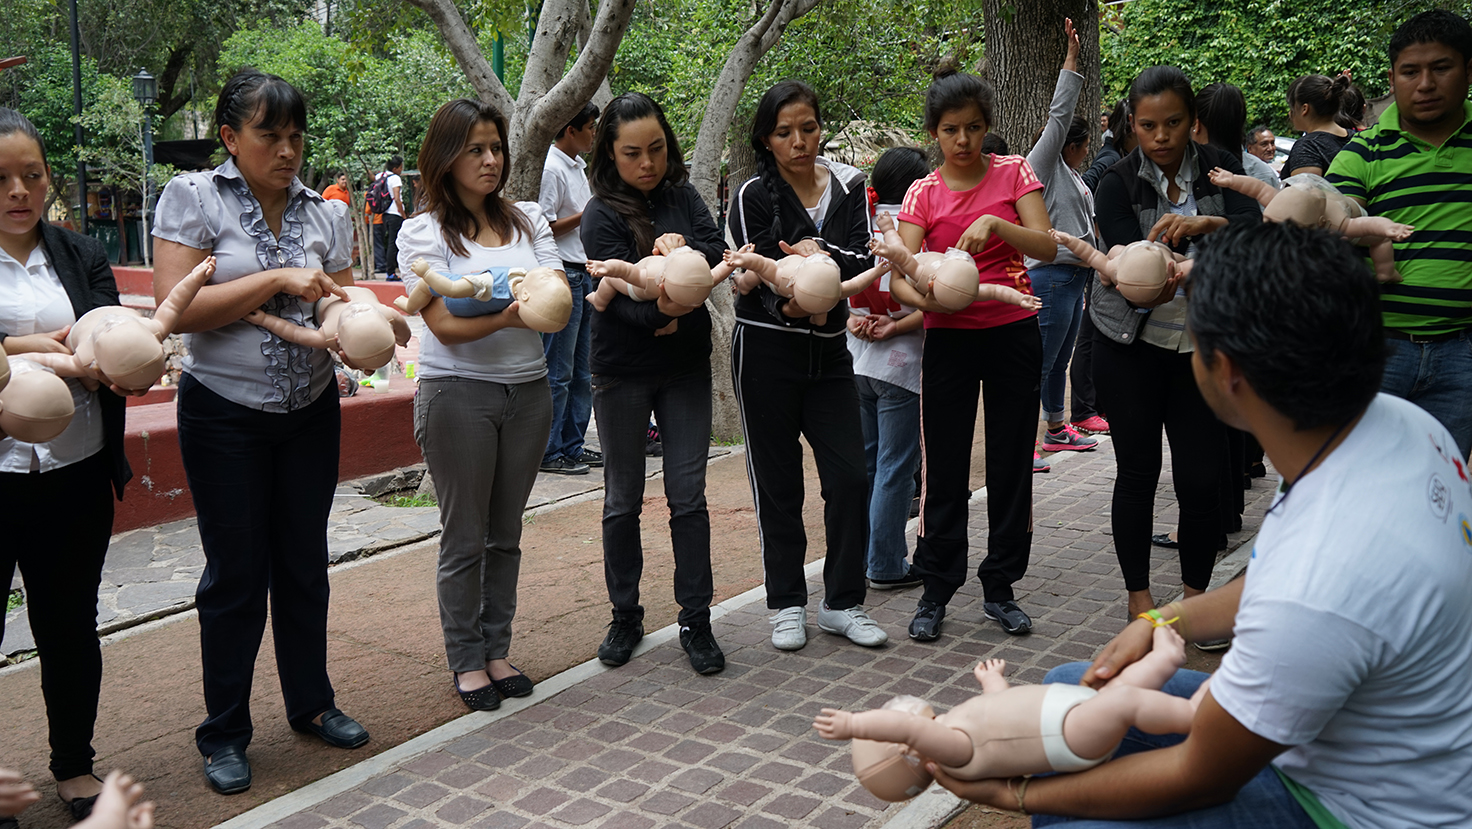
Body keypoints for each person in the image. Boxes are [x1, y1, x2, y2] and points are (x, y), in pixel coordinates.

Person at [932, 221, 1472, 829]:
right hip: (1373, 740)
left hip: (1350, 805)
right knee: (1069, 686)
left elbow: (1198, 774)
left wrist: (1019, 797)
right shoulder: (1399, 424)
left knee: (1075, 814)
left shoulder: (1319, 580)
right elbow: (1271, 582)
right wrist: (1167, 619)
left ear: (1226, 371)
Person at [151, 69, 368, 796]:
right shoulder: (193, 197)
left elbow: (339, 300)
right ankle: (224, 731)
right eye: (269, 134)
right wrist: (277, 280)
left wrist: (353, 330)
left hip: (310, 408)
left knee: (304, 563)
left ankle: (312, 702)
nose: (287, 150)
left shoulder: (324, 213)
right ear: (229, 137)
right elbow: (176, 308)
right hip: (224, 413)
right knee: (236, 575)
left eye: (296, 136)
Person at [396, 98, 560, 710]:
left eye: (496, 148)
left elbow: (557, 302)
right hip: (457, 394)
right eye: (475, 150)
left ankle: (497, 651)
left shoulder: (529, 220)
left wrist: (491, 300)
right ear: (446, 158)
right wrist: (513, 309)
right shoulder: (422, 233)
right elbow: (442, 326)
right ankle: (466, 660)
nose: (491, 160)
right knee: (465, 536)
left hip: (530, 392)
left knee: (506, 534)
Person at [888, 69, 1057, 641]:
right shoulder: (923, 192)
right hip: (949, 340)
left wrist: (997, 224)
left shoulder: (1014, 172)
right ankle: (936, 588)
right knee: (944, 467)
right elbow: (900, 278)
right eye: (951, 130)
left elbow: (1048, 245)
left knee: (1011, 461)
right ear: (934, 132)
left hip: (1013, 331)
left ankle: (1001, 586)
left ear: (987, 127)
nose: (963, 140)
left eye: (975, 128)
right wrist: (932, 300)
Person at [1089, 66, 1260, 623]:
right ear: (1131, 125)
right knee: (1137, 474)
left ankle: (1195, 603)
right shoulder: (1116, 182)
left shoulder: (1221, 171)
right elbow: (1132, 269)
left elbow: (1258, 235)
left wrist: (1208, 232)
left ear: (1193, 122)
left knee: (1200, 479)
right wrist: (1173, 266)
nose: (1161, 136)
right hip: (1129, 346)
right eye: (1148, 125)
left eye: (1173, 123)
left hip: (1202, 348)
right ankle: (1139, 602)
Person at [0, 107, 133, 820]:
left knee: (69, 626)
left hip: (75, 468)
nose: (18, 190)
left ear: (49, 177)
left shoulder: (80, 255)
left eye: (31, 174)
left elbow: (113, 333)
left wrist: (108, 356)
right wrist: (31, 349)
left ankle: (74, 765)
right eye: (0, 179)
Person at [727, 80, 887, 652]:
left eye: (808, 128)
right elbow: (758, 268)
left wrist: (815, 256)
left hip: (831, 356)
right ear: (765, 140)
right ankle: (787, 602)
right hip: (766, 352)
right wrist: (798, 295)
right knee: (778, 483)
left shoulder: (849, 185)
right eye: (784, 132)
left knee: (850, 477)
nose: (799, 141)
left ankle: (842, 602)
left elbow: (861, 259)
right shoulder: (751, 194)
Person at [581, 92, 727, 674]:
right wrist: (665, 312)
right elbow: (620, 305)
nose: (647, 163)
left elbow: (715, 252)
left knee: (688, 496)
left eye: (657, 149)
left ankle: (696, 618)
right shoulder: (600, 213)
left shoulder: (683, 196)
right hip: (621, 370)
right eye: (632, 153)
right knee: (622, 499)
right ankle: (625, 615)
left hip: (684, 367)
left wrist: (684, 249)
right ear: (610, 155)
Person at [1327, 9, 1472, 458]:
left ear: (1469, 71)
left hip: (1463, 355)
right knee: (1363, 478)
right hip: (1377, 351)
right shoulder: (1363, 152)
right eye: (1410, 72)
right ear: (1392, 79)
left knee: (1438, 485)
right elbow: (1332, 221)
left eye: (1441, 68)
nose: (1425, 84)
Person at [847, 146, 930, 591]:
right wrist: (895, 327)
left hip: (857, 357)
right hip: (902, 362)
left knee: (866, 466)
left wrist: (852, 320)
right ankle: (885, 564)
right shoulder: (920, 226)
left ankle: (859, 558)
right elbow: (937, 298)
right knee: (895, 469)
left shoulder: (856, 222)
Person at [1026, 18, 1100, 466]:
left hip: (1072, 279)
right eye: (1084, 142)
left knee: (1058, 362)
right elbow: (1059, 116)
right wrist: (1071, 60)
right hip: (1050, 277)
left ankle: (1055, 430)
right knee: (1038, 363)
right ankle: (1020, 445)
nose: (1088, 149)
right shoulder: (1043, 165)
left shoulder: (1071, 176)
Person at [538, 102, 600, 476]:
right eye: (589, 127)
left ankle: (573, 445)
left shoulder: (577, 165)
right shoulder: (551, 168)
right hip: (564, 274)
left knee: (582, 370)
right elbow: (543, 226)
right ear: (570, 130)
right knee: (559, 370)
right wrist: (586, 215)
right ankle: (549, 449)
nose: (594, 133)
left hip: (585, 270)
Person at [1280, 74, 1355, 178]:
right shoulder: (1356, 138)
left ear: (1304, 109)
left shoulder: (1308, 147)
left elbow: (1307, 187)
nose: (1289, 113)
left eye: (1291, 107)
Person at [381, 156, 406, 279]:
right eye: (400, 167)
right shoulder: (395, 178)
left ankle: (390, 271)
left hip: (385, 214)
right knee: (394, 243)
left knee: (390, 242)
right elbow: (397, 199)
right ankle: (391, 272)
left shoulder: (381, 176)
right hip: (395, 214)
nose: (401, 170)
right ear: (395, 168)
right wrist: (404, 215)